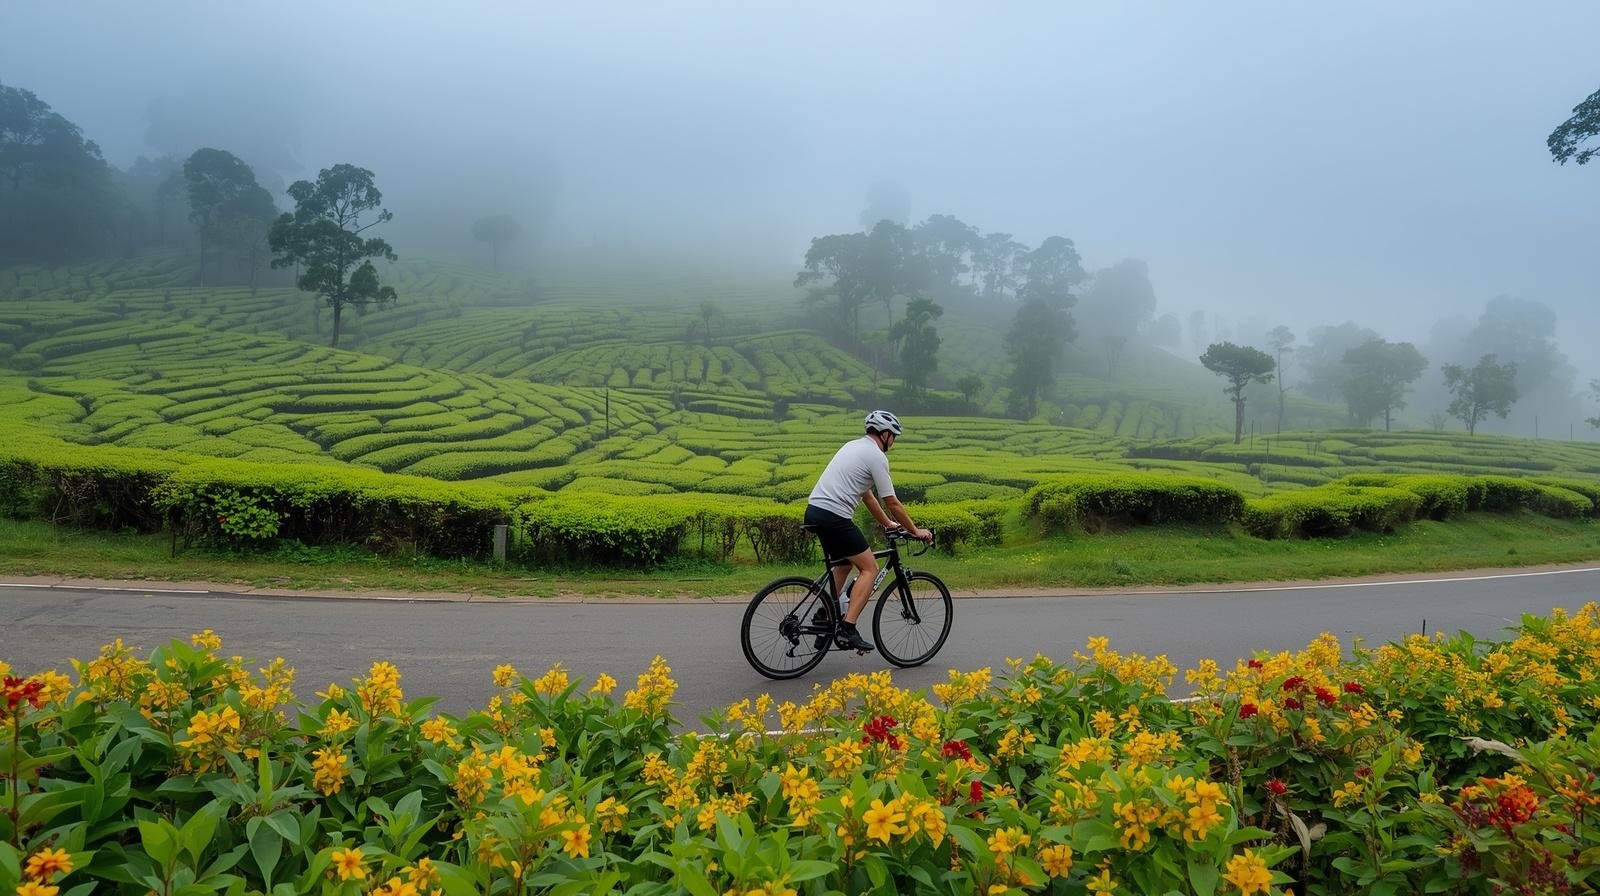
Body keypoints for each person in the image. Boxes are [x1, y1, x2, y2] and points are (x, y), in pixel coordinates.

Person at [804, 410, 932, 652]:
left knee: (843, 565)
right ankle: (847, 628)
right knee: (870, 567)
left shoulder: (852, 446)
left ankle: (825, 614)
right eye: (893, 436)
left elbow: (867, 495)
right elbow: (892, 501)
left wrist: (887, 524)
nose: (893, 442)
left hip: (815, 511)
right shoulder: (876, 456)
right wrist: (914, 530)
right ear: (884, 434)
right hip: (834, 516)